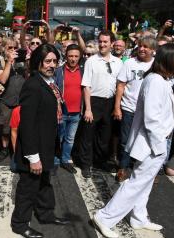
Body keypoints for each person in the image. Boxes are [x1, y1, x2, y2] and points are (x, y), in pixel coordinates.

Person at [92, 43, 174, 238]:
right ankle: (105, 217)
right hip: (152, 144)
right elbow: (151, 120)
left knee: (145, 182)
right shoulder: (155, 81)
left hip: (155, 143)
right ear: (168, 59)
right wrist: (160, 147)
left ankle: (139, 217)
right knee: (135, 183)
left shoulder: (161, 80)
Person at [11, 43, 70, 238]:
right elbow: (27, 125)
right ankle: (19, 223)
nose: (52, 65)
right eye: (47, 61)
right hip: (33, 149)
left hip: (47, 144)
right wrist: (33, 157)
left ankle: (45, 214)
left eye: (54, 61)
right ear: (37, 63)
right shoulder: (33, 85)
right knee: (28, 187)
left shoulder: (50, 82)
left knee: (44, 183)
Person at [75, 30, 123, 178]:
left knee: (105, 135)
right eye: (100, 41)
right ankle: (86, 164)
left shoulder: (119, 62)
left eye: (105, 42)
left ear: (112, 44)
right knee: (88, 135)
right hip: (94, 101)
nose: (102, 44)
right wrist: (88, 109)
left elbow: (120, 86)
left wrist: (117, 106)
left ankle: (99, 161)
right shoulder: (91, 61)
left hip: (110, 102)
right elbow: (86, 86)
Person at [113, 36, 157, 182]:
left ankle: (145, 170)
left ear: (153, 50)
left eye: (146, 47)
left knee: (147, 141)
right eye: (140, 46)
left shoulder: (157, 65)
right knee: (126, 140)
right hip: (129, 109)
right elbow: (121, 85)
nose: (142, 49)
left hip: (149, 112)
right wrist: (117, 107)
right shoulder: (130, 63)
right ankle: (123, 167)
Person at [0, 37, 25, 162]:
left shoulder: (21, 62)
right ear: (4, 49)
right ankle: (4, 149)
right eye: (9, 48)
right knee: (5, 129)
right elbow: (3, 79)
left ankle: (18, 149)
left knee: (21, 128)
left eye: (15, 48)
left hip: (21, 101)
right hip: (6, 101)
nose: (12, 50)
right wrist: (9, 62)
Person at [53, 44, 84, 174]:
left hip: (76, 112)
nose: (73, 59)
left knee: (70, 139)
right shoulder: (58, 71)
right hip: (61, 111)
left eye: (76, 56)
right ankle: (54, 161)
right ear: (66, 56)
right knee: (57, 137)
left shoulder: (83, 71)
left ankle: (65, 160)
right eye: (70, 56)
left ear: (80, 57)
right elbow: (53, 88)